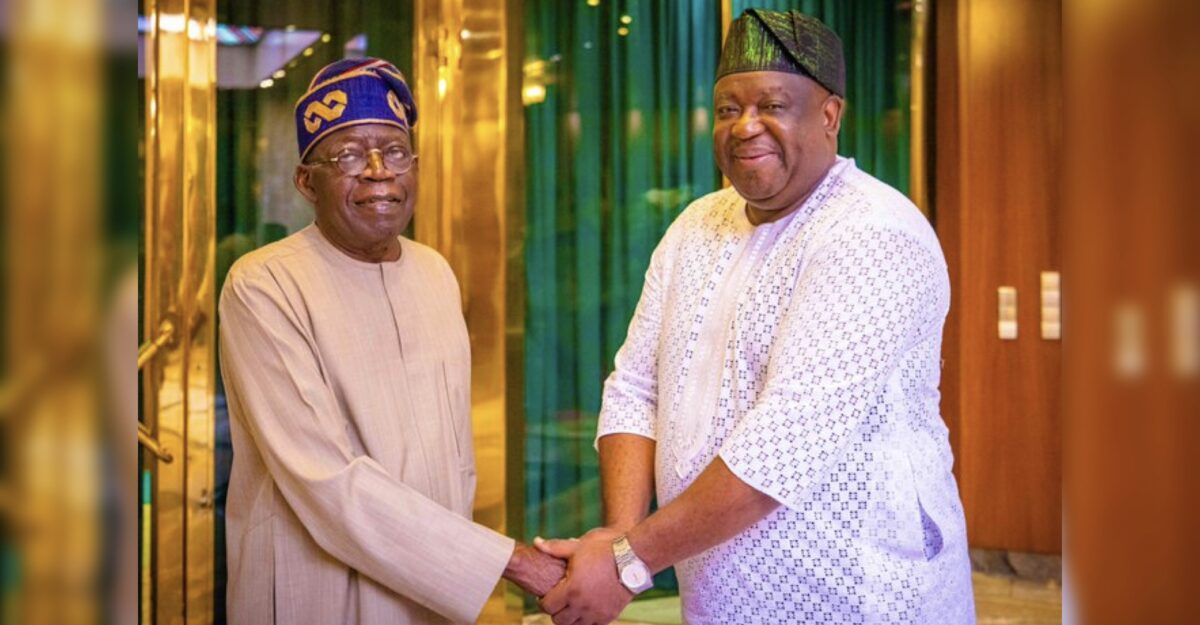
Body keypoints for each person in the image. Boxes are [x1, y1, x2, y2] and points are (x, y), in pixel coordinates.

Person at [537, 9, 975, 624]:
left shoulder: (873, 233)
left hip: (860, 594)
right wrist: (619, 534)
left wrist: (629, 561)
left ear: (830, 115)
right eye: (727, 108)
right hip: (716, 592)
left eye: (772, 105)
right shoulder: (695, 226)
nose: (745, 126)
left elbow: (782, 447)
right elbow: (636, 387)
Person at [218, 58, 563, 625]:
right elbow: (325, 479)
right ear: (306, 182)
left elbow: (457, 459)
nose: (378, 173)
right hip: (317, 590)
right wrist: (513, 562)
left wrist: (462, 565)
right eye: (349, 156)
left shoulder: (434, 272)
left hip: (435, 589)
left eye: (396, 152)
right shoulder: (264, 283)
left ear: (416, 168)